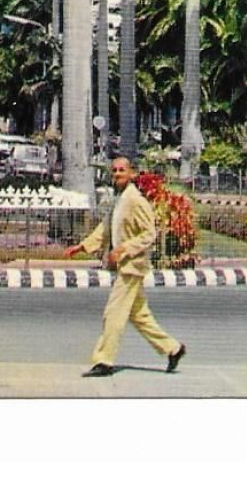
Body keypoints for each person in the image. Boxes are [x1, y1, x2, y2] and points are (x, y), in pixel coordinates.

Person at [63, 154, 185, 378]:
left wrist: (122, 250)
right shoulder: (119, 199)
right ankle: (173, 349)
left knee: (113, 313)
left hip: (132, 267)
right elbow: (105, 227)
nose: (117, 174)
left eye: (122, 170)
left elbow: (149, 234)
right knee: (140, 316)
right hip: (125, 266)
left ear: (132, 174)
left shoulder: (136, 200)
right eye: (115, 170)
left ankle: (104, 361)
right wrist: (82, 247)